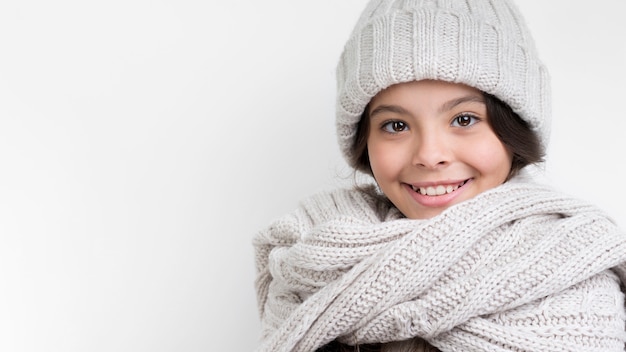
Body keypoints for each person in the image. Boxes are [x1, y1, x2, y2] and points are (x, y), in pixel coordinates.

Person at [252, 0, 626, 351]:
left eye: (464, 119)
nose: (430, 156)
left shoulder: (576, 279)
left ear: (514, 129)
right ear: (364, 140)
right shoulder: (307, 261)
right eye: (396, 125)